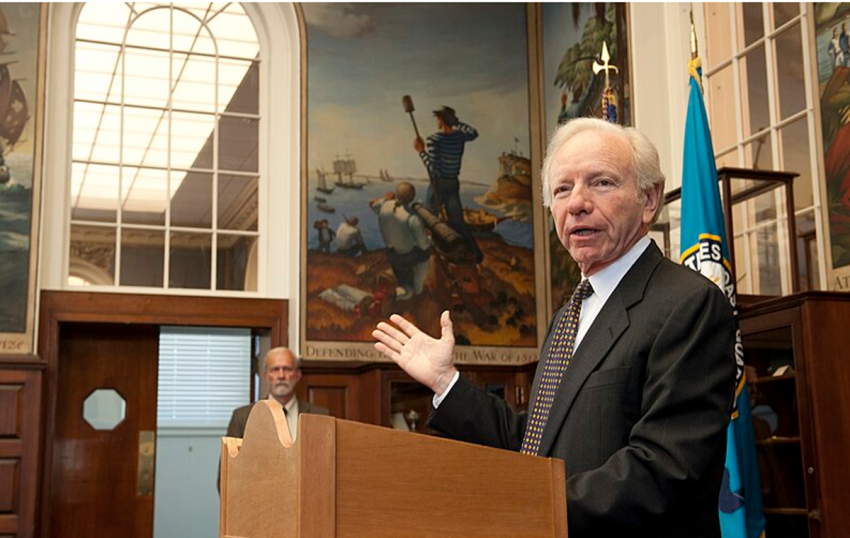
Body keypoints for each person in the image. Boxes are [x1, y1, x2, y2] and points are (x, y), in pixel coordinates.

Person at [374, 118, 737, 538]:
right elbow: (534, 443)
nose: (577, 203)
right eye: (562, 189)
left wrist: (527, 506)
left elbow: (665, 469)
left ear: (649, 199)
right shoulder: (569, 313)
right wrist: (445, 382)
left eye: (600, 183)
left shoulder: (688, 303)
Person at [415, 105, 484, 264]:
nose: (437, 121)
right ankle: (475, 254)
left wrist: (421, 151)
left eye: (438, 118)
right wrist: (456, 123)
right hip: (453, 183)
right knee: (457, 221)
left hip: (439, 184)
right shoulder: (460, 136)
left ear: (441, 120)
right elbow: (474, 133)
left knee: (430, 217)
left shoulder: (434, 140)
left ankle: (427, 253)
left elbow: (433, 168)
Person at [225, 347, 329, 443]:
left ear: (297, 375)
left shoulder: (320, 417)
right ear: (266, 376)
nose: (281, 376)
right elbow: (228, 462)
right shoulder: (242, 417)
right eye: (275, 369)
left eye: (287, 369)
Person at [370, 182, 431, 301]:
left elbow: (372, 203)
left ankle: (398, 289)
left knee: (402, 275)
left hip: (391, 254)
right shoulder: (413, 218)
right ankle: (417, 290)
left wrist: (386, 198)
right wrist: (429, 238)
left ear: (396, 194)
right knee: (425, 255)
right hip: (405, 258)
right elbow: (423, 245)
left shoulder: (384, 205)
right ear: (412, 198)